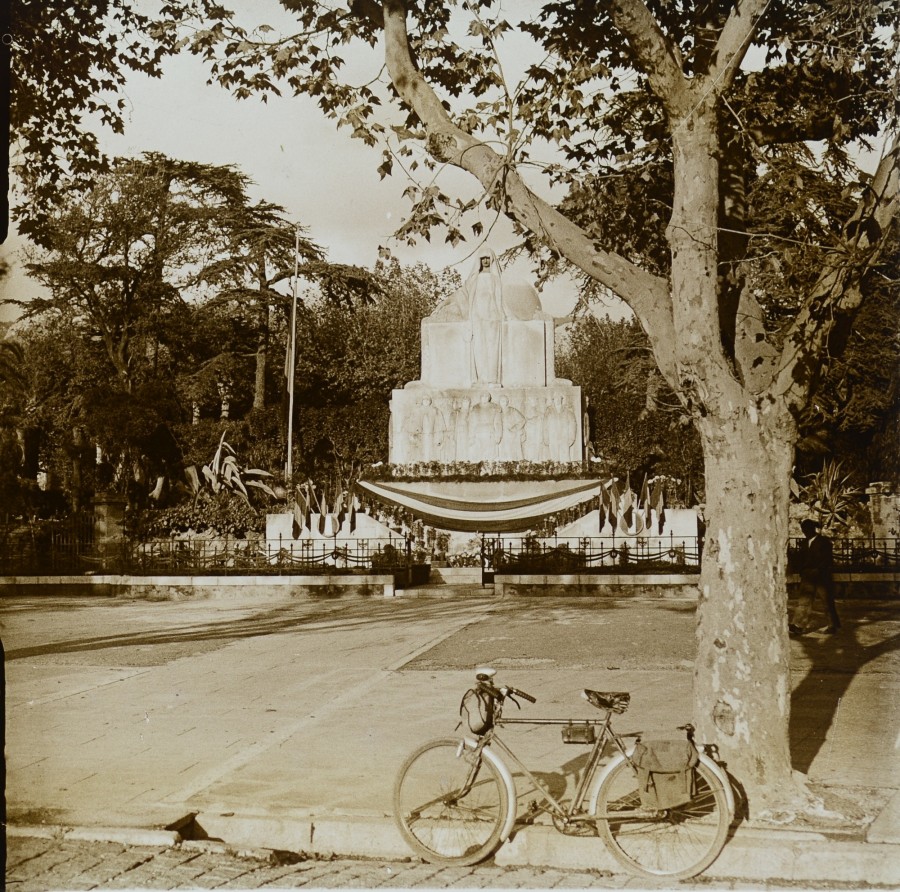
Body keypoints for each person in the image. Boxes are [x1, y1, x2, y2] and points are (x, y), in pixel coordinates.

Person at [790, 518, 841, 636]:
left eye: (807, 529)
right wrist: (802, 571)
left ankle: (832, 625)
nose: (805, 532)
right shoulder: (804, 543)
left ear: (813, 529)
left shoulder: (824, 542)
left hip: (821, 576)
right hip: (808, 576)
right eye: (803, 529)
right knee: (804, 601)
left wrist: (818, 570)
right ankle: (798, 625)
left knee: (827, 601)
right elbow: (800, 560)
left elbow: (827, 559)